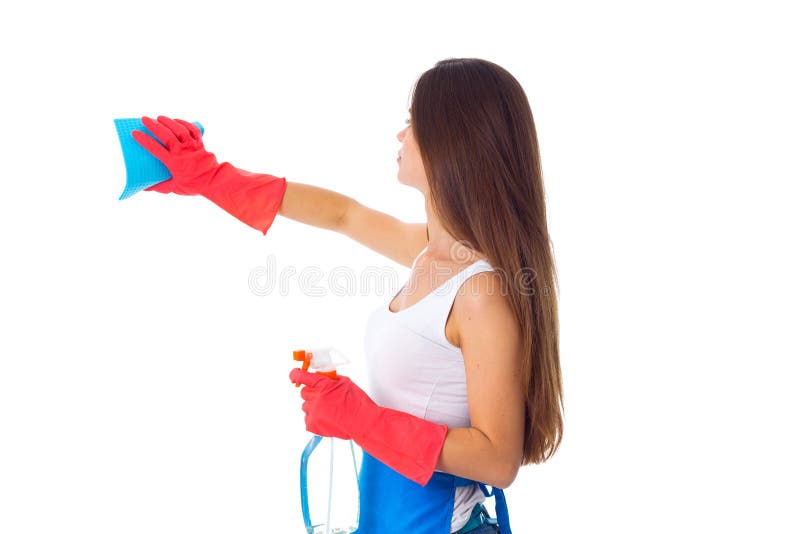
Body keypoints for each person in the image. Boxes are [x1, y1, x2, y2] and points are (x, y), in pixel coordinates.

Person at [133, 57, 563, 534]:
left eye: (412, 124)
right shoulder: (431, 254)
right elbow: (344, 215)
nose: (401, 137)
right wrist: (215, 179)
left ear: (450, 143)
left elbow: (499, 460)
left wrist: (360, 418)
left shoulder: (480, 291)